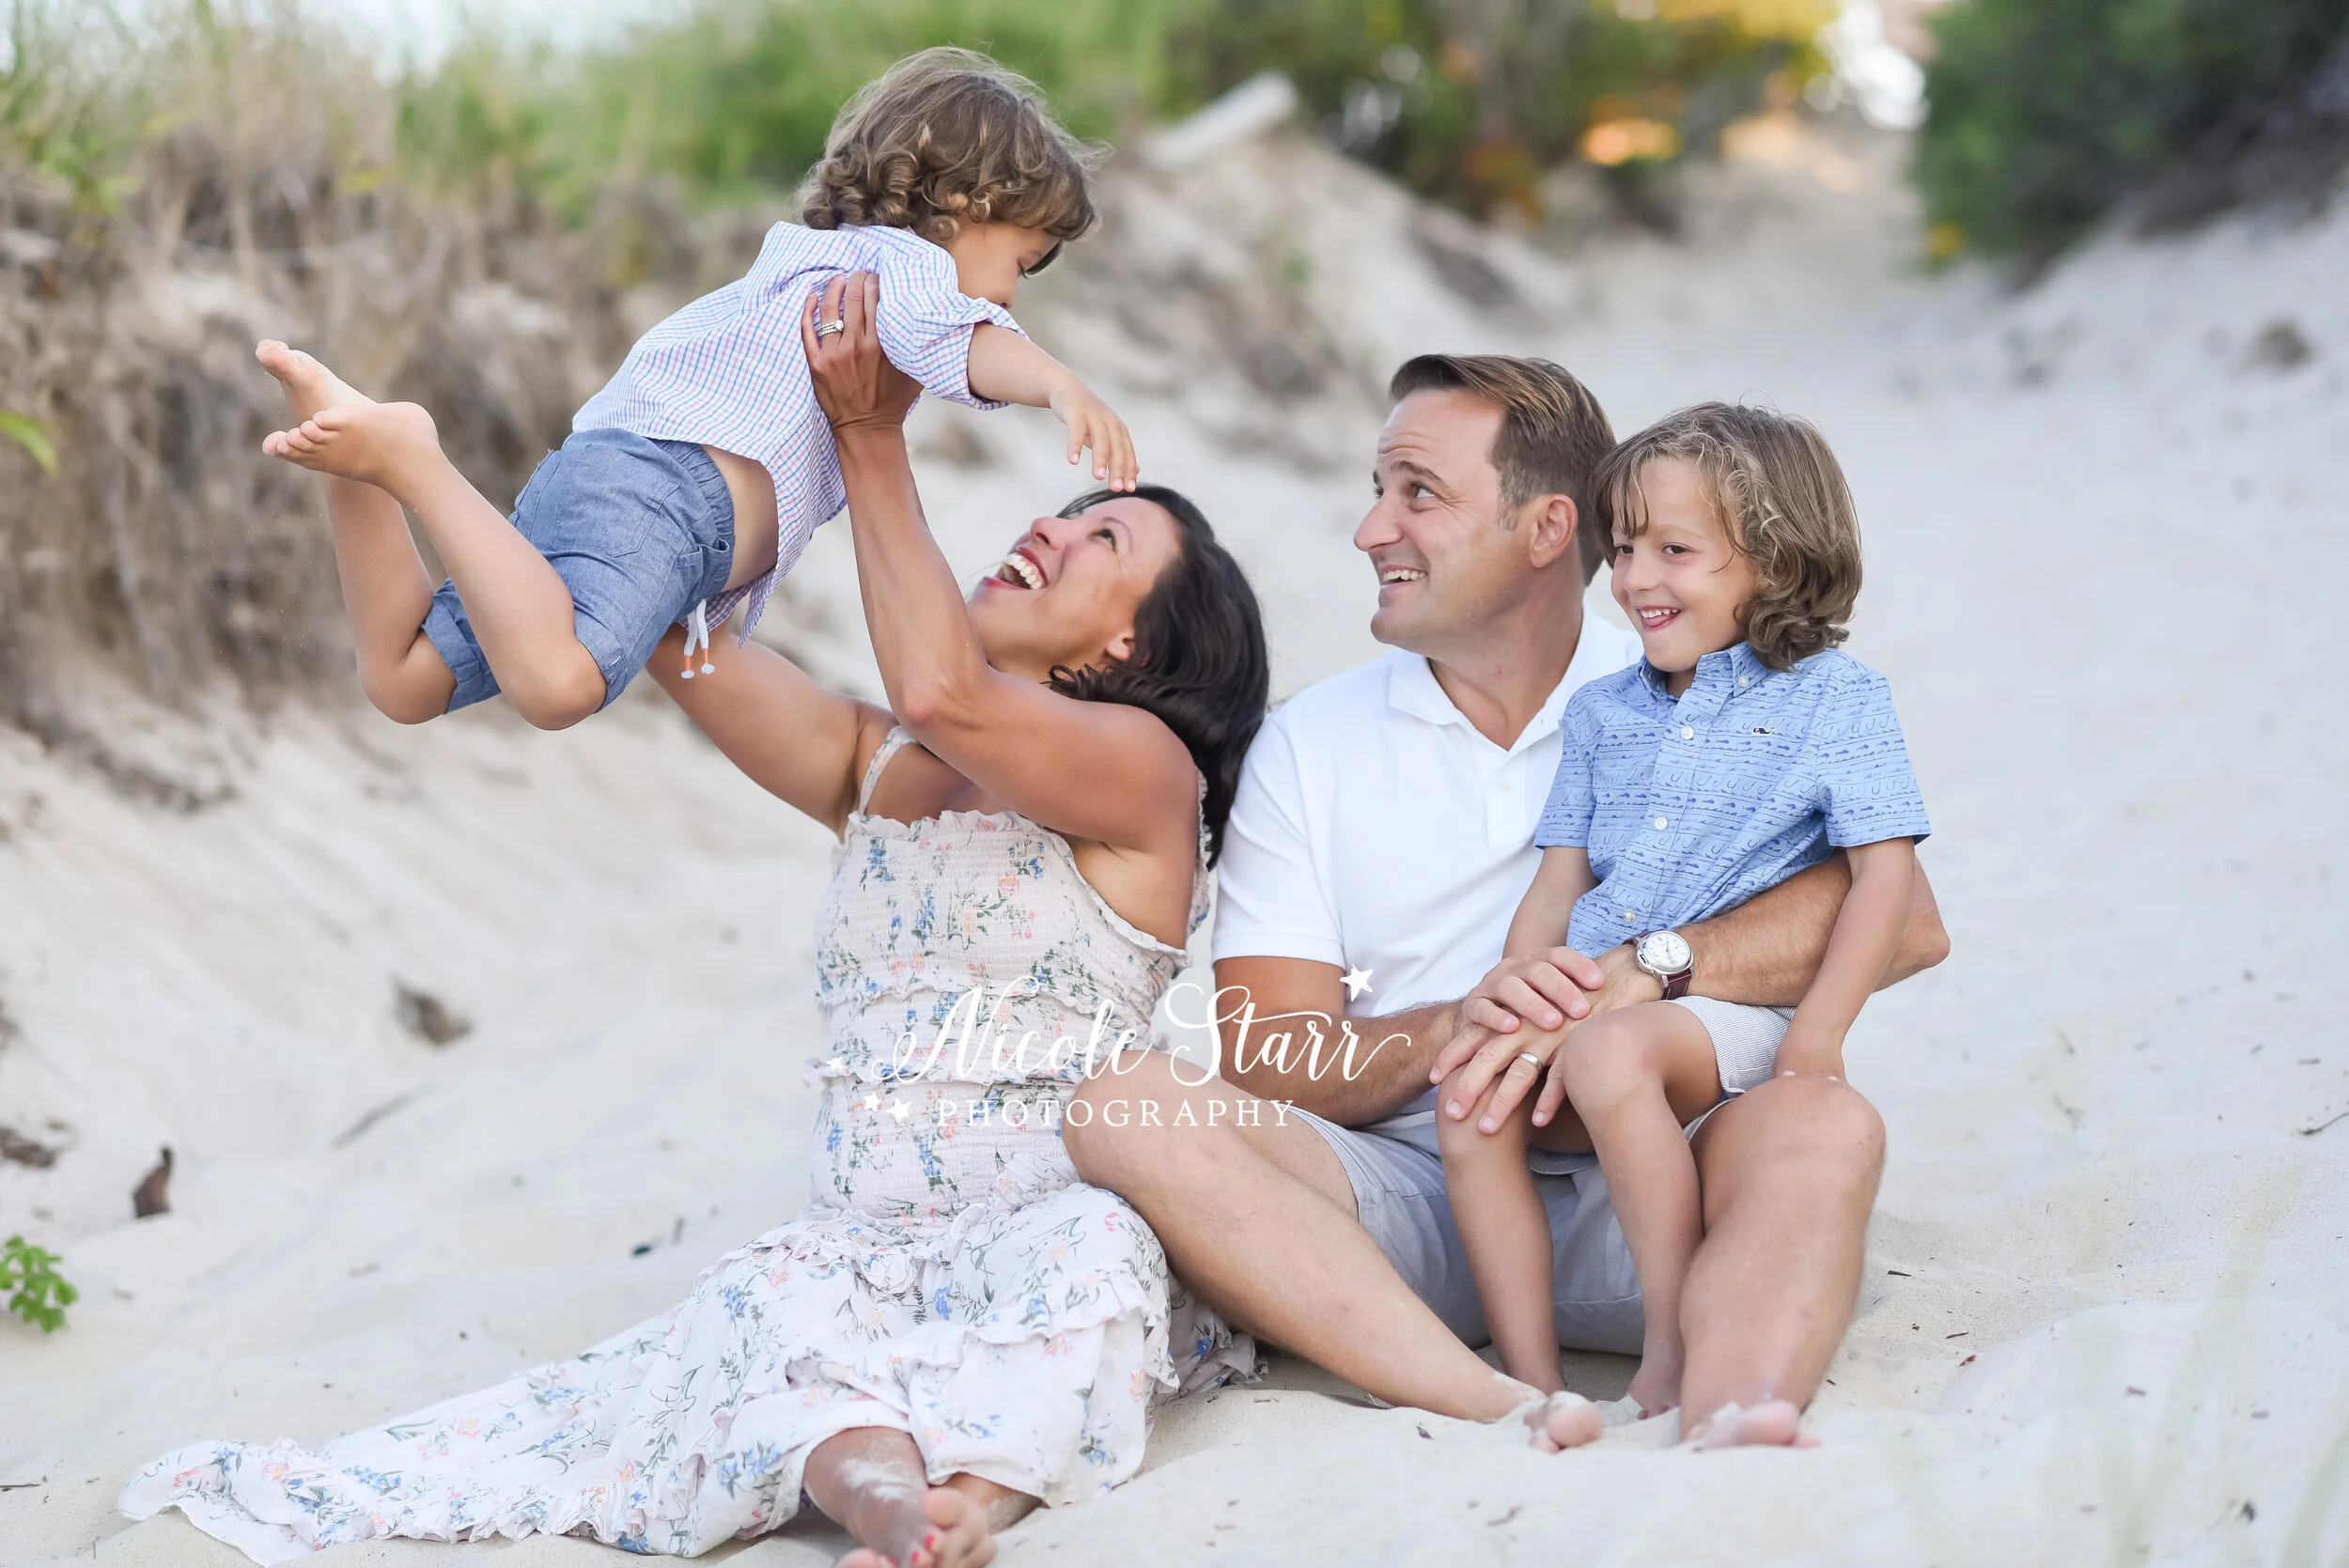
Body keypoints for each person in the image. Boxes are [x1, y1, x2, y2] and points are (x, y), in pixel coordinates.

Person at [120, 273, 1267, 1568]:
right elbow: (664, 625)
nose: (1053, 532)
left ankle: (973, 1493)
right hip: (858, 1242)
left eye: (1103, 543)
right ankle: (901, 1517)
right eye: (1068, 512)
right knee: (774, 1326)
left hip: (1053, 1215)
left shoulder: (1142, 773)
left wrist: (868, 434)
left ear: (1124, 649)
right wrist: (405, 480)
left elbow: (943, 684)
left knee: (1096, 1268)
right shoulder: (875, 763)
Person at [1065, 353, 1950, 1451]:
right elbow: (1265, 1053)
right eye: (1376, 489)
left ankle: (1728, 1412)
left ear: (1543, 531)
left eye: (1416, 492)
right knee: (1121, 1105)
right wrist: (1459, 1026)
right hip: (1400, 1205)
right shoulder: (1310, 742)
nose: (1371, 530)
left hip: (1661, 1168)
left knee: (1825, 1121)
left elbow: (1904, 917)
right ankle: (1496, 1397)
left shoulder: (1702, 668)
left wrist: (1654, 964)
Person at [251, 48, 1136, 733]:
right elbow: (970, 341)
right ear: (964, 207)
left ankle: (357, 451)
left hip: (610, 471)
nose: (1011, 294)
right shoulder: (894, 267)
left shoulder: (811, 254)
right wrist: (1058, 384)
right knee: (559, 684)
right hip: (670, 503)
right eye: (1019, 262)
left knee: (406, 681)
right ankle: (413, 463)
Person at [1430, 401, 1930, 1426]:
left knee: (1615, 1056)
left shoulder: (1840, 698)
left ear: (1776, 557)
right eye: (1621, 550)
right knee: (1468, 1096)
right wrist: (1513, 987)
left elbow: (1885, 884)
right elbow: (1561, 881)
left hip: (1724, 1022)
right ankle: (1530, 1380)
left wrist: (1820, 1039)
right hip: (1599, 999)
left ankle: (1665, 1347)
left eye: (1675, 549)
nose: (1634, 579)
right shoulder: (1604, 712)